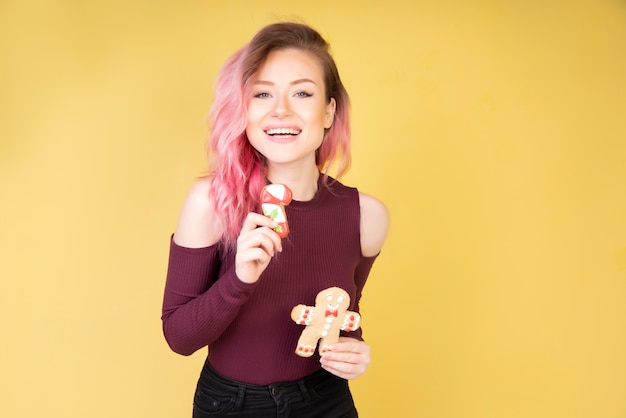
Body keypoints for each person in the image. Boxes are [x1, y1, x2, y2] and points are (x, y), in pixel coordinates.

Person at [161, 22, 389, 418]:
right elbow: (178, 337)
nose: (280, 110)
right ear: (243, 109)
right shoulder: (210, 203)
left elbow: (339, 312)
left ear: (329, 111)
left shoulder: (367, 217)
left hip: (326, 401)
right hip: (232, 405)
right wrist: (240, 278)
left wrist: (351, 349)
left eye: (302, 93)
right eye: (262, 93)